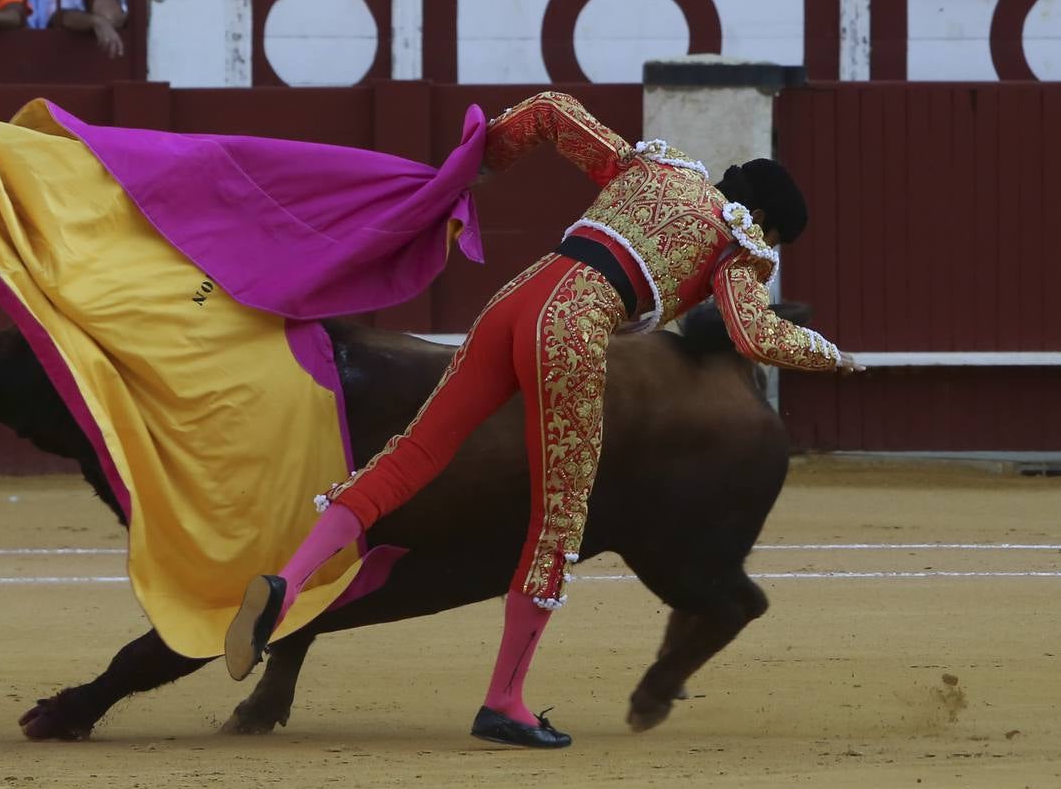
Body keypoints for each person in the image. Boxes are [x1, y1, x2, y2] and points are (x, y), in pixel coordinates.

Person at [224, 91, 861, 749]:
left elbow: (553, 112)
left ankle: (286, 583)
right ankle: (505, 702)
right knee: (558, 521)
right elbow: (756, 338)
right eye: (774, 237)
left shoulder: (657, 170)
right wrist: (836, 358)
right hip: (573, 329)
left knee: (410, 456)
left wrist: (478, 165)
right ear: (761, 215)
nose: (769, 250)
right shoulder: (738, 241)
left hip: (515, 301)